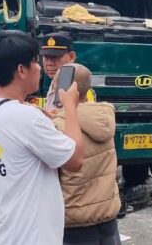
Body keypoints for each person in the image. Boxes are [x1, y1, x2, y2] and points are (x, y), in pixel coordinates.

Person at [0, 31, 84, 245]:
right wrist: (70, 107)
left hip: (1, 235)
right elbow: (76, 160)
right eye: (35, 62)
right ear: (22, 70)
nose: (41, 67)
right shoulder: (26, 117)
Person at [52, 64, 121, 245]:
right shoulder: (103, 117)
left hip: (75, 224)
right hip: (107, 219)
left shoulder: (59, 126)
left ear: (62, 90)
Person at [41, 33, 95, 106]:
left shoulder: (80, 90)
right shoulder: (56, 82)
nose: (49, 63)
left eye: (55, 57)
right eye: (46, 57)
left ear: (72, 56)